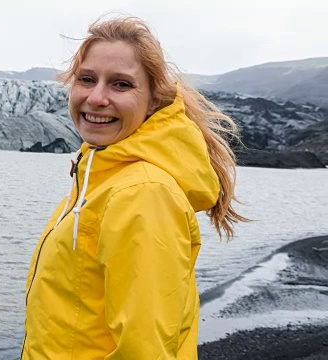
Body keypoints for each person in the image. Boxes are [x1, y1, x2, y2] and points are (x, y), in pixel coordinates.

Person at [21, 16, 247, 359]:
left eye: (121, 85)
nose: (96, 98)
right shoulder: (103, 178)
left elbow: (145, 350)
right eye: (86, 79)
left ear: (154, 101)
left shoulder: (142, 192)